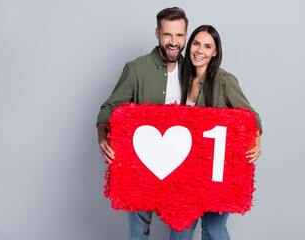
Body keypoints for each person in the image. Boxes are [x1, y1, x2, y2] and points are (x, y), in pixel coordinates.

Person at [96, 7, 188, 240]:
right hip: (140, 167)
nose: (173, 42)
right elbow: (109, 108)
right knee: (138, 232)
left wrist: (254, 134)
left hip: (184, 170)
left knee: (183, 233)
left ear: (186, 36)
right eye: (168, 34)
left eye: (179, 35)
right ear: (157, 33)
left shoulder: (195, 70)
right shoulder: (136, 68)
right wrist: (102, 135)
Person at [169, 25, 262, 240]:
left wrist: (256, 140)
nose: (200, 50)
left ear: (215, 52)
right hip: (186, 174)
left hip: (218, 173)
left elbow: (251, 117)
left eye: (207, 46)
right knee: (180, 228)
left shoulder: (224, 80)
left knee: (213, 229)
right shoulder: (180, 79)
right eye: (196, 44)